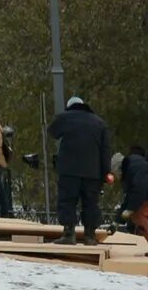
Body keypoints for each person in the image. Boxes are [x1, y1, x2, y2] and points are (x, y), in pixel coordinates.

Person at [47, 95, 113, 245]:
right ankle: (90, 236)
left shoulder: (65, 117)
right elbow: (105, 151)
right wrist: (105, 173)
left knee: (67, 201)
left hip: (69, 170)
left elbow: (52, 132)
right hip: (92, 172)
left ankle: (69, 234)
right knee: (91, 203)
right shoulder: (99, 122)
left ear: (69, 106)